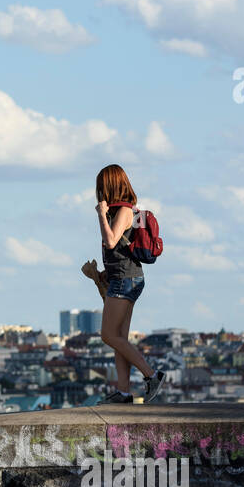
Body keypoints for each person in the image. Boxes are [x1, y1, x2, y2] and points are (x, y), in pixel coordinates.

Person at [95, 163, 166, 404]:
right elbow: (120, 249)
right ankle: (124, 392)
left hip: (126, 279)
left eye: (102, 187)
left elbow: (112, 241)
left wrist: (100, 215)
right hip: (123, 276)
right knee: (120, 338)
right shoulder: (121, 211)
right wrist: (105, 272)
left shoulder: (124, 210)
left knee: (108, 335)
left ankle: (152, 375)